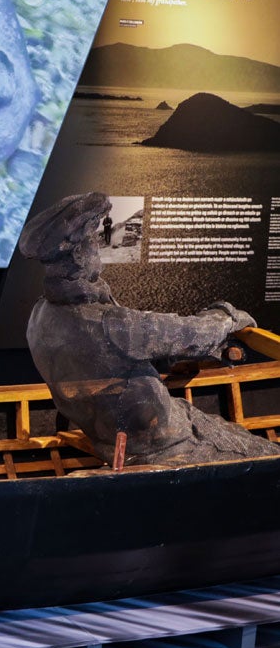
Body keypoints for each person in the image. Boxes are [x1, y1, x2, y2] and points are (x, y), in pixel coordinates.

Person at [19, 192, 275, 466]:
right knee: (268, 454)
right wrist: (227, 315)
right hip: (163, 446)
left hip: (114, 440)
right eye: (93, 241)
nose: (98, 248)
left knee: (229, 430)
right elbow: (196, 333)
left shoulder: (41, 314)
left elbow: (117, 355)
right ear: (80, 255)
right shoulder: (106, 322)